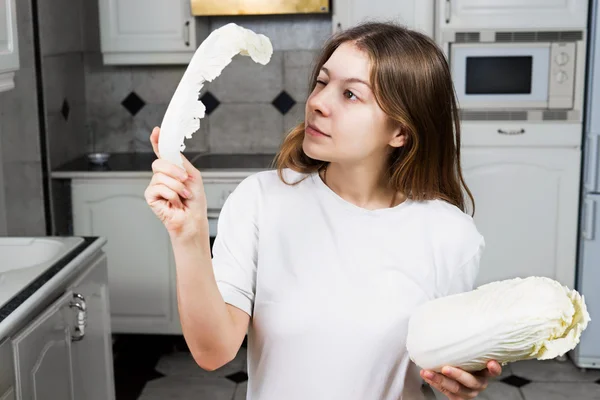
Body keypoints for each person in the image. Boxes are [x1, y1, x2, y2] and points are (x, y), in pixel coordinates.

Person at [145, 22, 502, 400]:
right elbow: (213, 351)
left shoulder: (450, 234)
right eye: (321, 82)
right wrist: (189, 236)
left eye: (350, 94)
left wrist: (461, 385)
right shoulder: (261, 201)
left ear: (400, 131)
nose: (317, 102)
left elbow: (442, 372)